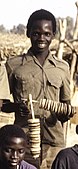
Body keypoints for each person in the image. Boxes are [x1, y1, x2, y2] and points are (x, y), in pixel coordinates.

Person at [1, 9, 75, 168]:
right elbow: (2, 103)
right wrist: (16, 106)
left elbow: (65, 107)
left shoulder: (62, 68)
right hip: (23, 144)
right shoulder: (13, 66)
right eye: (36, 33)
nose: (41, 38)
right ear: (28, 33)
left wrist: (66, 113)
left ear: (53, 35)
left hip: (54, 143)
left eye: (47, 34)